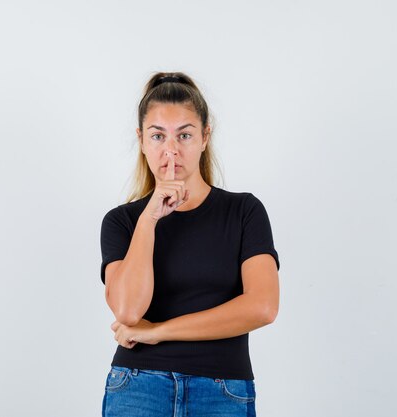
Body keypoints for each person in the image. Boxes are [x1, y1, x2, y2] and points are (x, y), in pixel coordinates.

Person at [99, 72, 280, 417]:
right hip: (138, 387)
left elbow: (262, 307)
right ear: (141, 140)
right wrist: (149, 218)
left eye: (184, 134)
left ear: (204, 136)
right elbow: (127, 311)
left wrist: (160, 332)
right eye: (157, 136)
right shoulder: (122, 221)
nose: (171, 150)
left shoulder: (244, 212)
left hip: (222, 390)